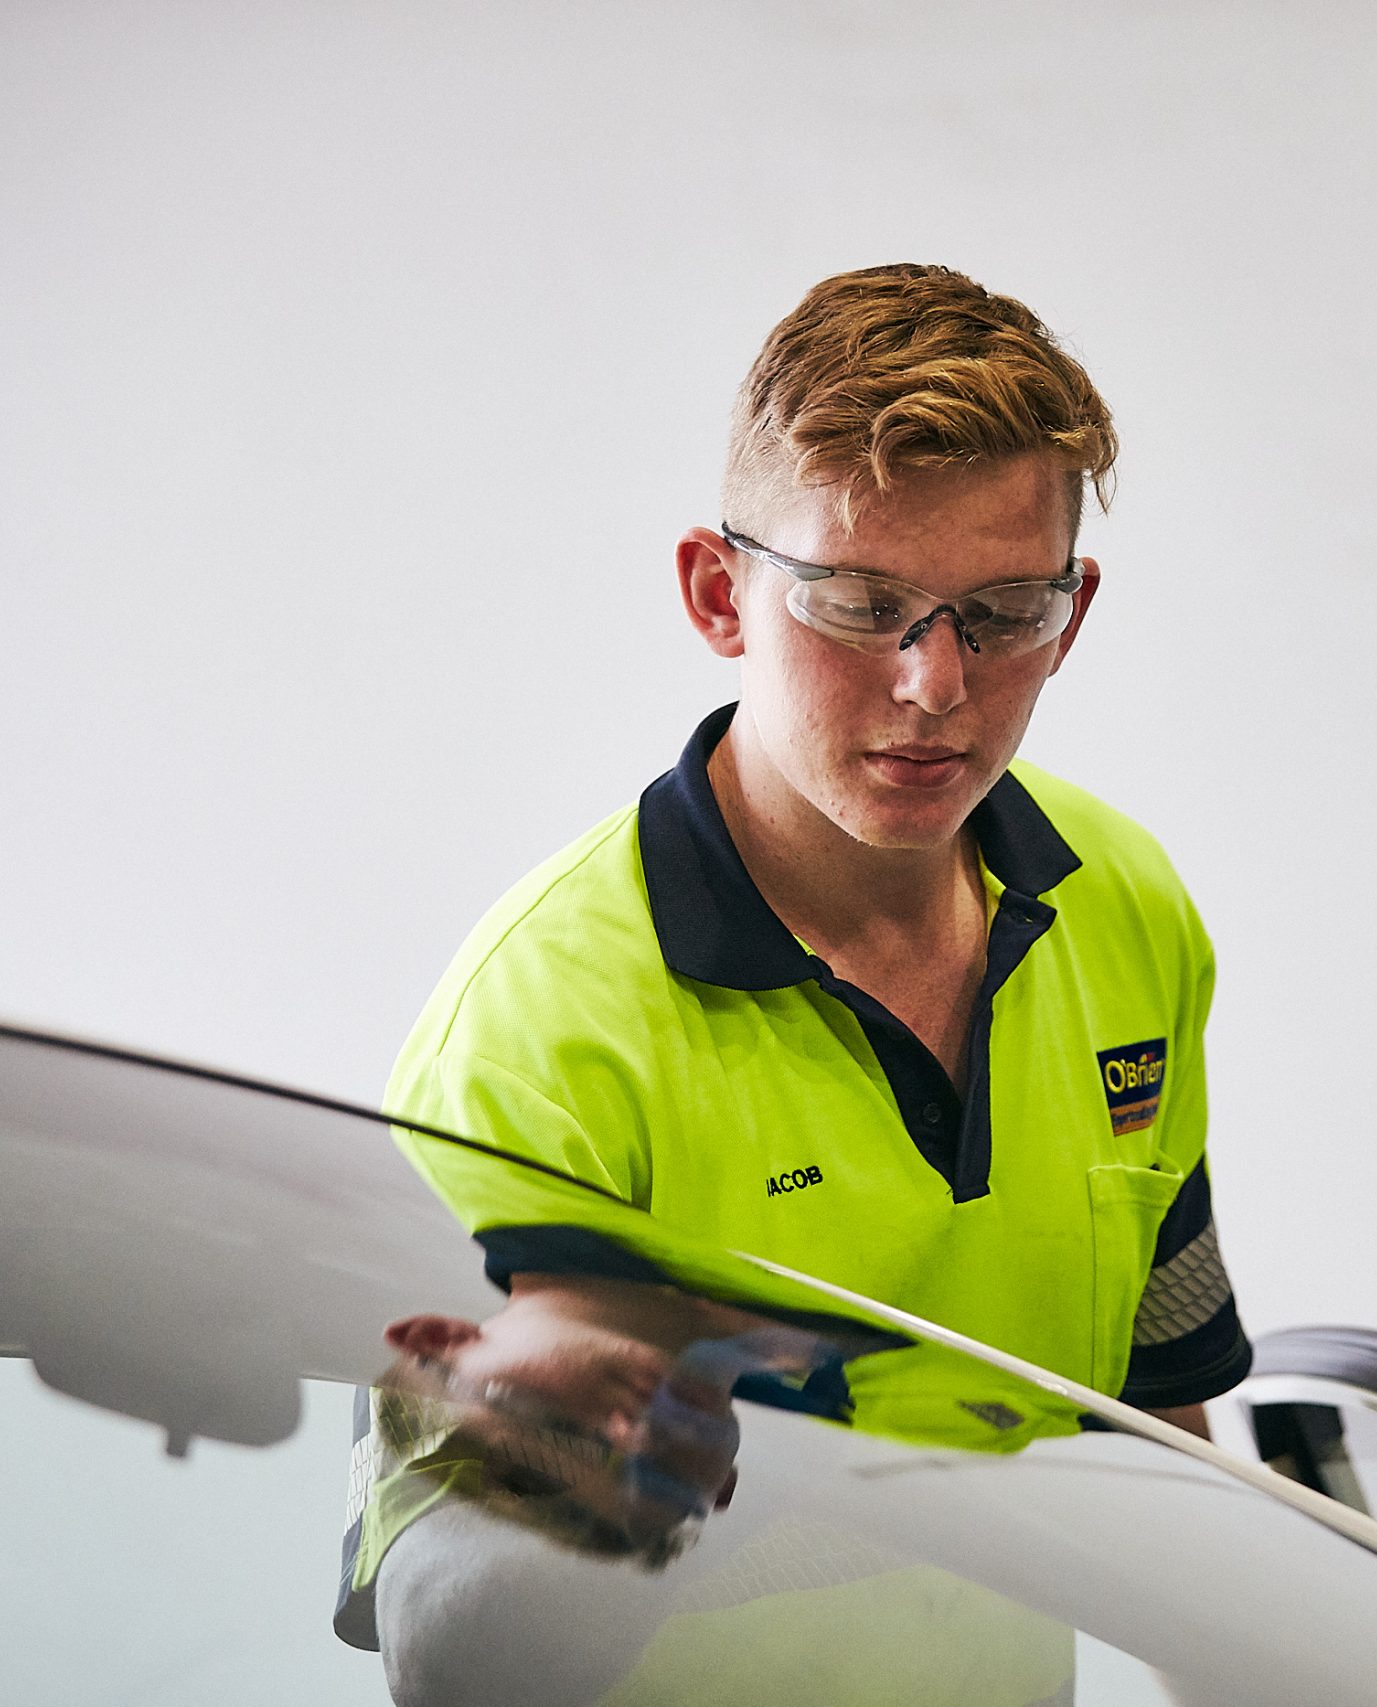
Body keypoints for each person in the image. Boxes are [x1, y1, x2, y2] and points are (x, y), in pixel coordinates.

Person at [387, 261, 1251, 1438]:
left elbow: (1167, 1440)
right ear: (719, 596)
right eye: (858, 604)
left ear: (1071, 620)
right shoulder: (531, 1037)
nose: (935, 684)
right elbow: (477, 1534)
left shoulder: (1125, 900)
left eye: (1004, 615)